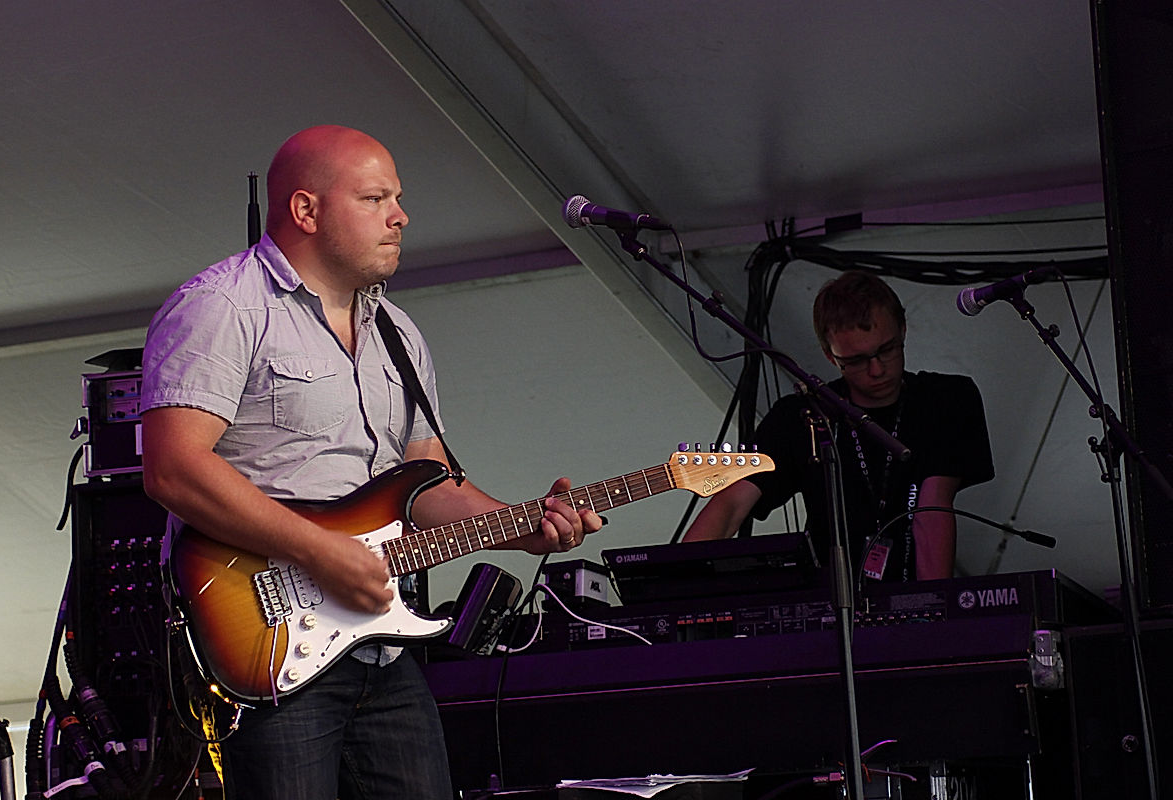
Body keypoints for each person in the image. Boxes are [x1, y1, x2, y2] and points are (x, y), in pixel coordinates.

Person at [139, 124, 602, 800]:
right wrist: (320, 553)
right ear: (306, 210)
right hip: (270, 642)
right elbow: (173, 468)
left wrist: (519, 526)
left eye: (398, 197)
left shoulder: (399, 333)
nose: (401, 216)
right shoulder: (222, 307)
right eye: (375, 197)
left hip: (383, 653)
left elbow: (425, 482)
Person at [684, 270, 993, 582]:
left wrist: (932, 607)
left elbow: (932, 509)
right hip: (826, 602)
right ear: (830, 356)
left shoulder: (946, 400)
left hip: (909, 596)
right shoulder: (801, 416)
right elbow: (732, 504)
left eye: (886, 349)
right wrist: (675, 587)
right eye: (856, 360)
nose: (876, 369)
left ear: (903, 328)